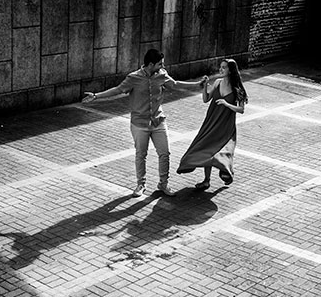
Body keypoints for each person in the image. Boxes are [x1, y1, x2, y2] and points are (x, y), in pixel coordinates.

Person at [82, 49, 207, 197]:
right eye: (160, 63)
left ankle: (163, 184)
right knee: (141, 155)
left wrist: (198, 85)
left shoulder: (162, 75)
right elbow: (118, 90)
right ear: (150, 64)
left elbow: (175, 84)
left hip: (158, 121)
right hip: (139, 123)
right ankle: (140, 184)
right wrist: (96, 96)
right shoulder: (133, 78)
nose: (163, 65)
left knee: (165, 153)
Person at [177, 58, 247, 189]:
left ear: (230, 70)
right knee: (206, 148)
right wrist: (205, 87)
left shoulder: (237, 88)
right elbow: (206, 99)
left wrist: (227, 104)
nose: (220, 69)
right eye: (220, 67)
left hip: (225, 125)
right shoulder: (217, 83)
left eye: (224, 67)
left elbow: (241, 109)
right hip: (211, 122)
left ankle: (227, 171)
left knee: (224, 150)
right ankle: (206, 180)